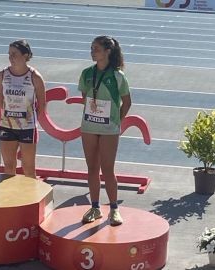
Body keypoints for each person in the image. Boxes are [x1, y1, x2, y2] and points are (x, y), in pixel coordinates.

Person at [78, 36, 132, 226]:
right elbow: (85, 97)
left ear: (108, 51)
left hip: (109, 129)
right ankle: (95, 207)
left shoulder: (118, 76)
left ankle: (114, 209)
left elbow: (127, 102)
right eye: (91, 48)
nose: (92, 52)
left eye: (97, 49)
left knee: (108, 170)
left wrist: (117, 121)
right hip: (89, 127)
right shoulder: (86, 73)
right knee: (92, 168)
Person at [0, 39, 46, 179]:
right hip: (7, 125)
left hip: (27, 128)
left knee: (28, 168)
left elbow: (42, 104)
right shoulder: (2, 75)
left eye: (14, 54)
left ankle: (31, 199)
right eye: (9, 54)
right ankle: (9, 199)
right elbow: (0, 100)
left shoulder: (34, 76)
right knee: (9, 166)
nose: (11, 57)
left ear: (25, 56)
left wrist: (29, 119)